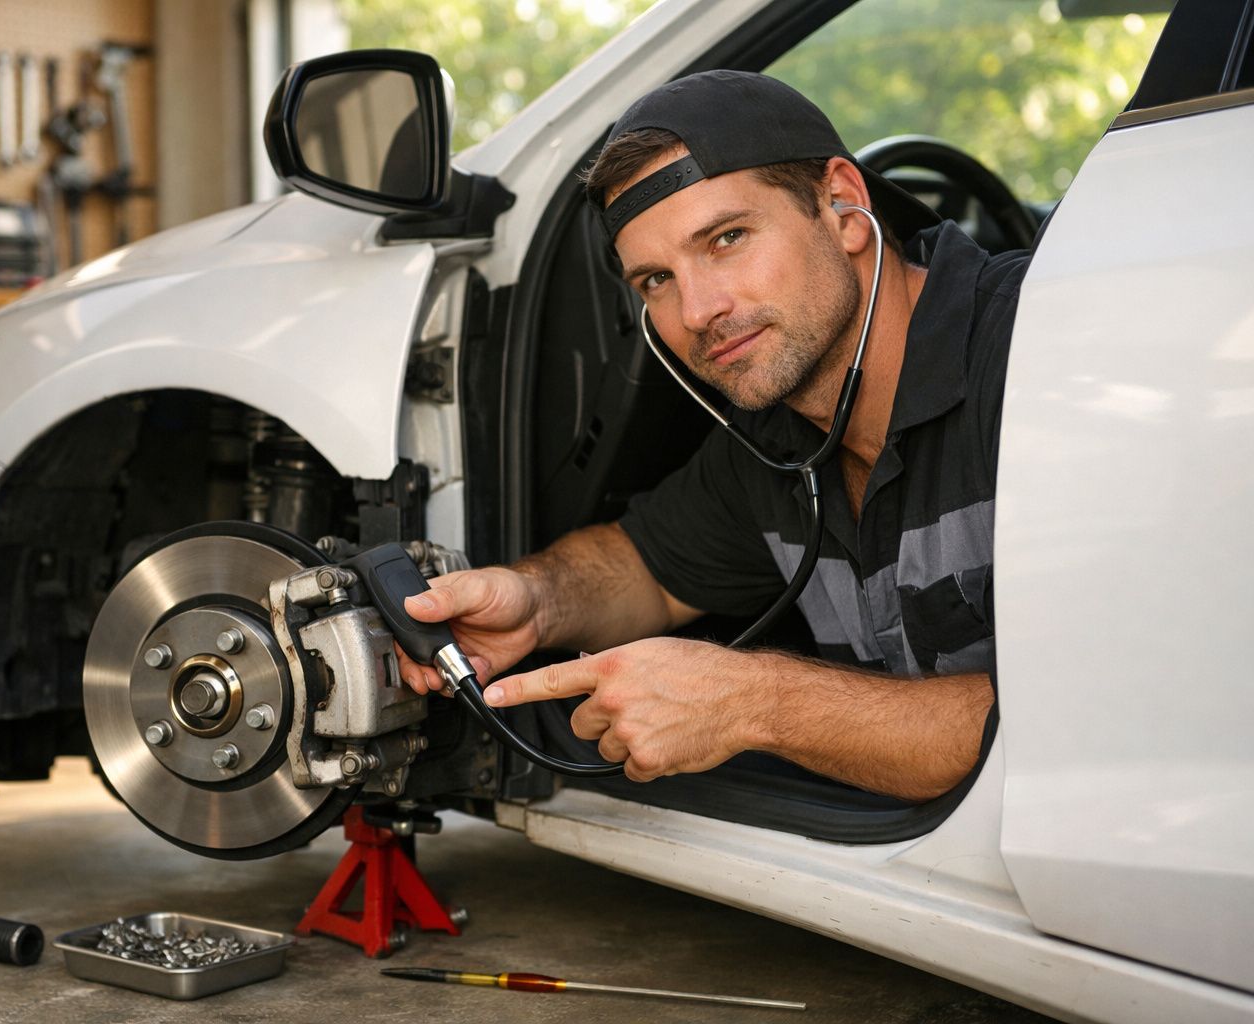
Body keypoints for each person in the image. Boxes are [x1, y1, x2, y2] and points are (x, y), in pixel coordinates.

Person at [396, 71, 1027, 802]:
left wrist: (751, 700)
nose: (697, 310)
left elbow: (1105, 725)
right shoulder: (771, 435)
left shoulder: (1037, 356)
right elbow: (649, 570)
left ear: (844, 207)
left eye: (726, 239)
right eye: (656, 280)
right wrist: (533, 601)